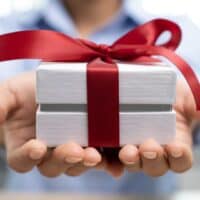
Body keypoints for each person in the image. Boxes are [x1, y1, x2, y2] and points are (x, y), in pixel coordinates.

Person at [0, 0, 199, 195]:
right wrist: (5, 128)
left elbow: (193, 112)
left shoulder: (189, 36)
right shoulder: (7, 28)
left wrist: (190, 121)